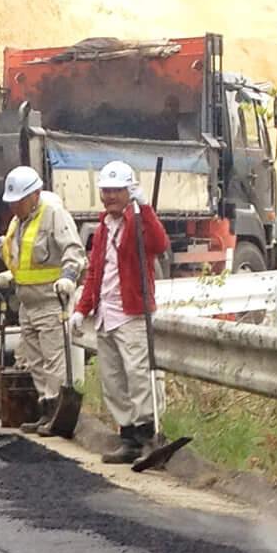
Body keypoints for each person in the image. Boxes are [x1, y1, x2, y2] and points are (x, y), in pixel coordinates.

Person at [0, 166, 85, 436]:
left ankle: (58, 413)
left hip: (50, 300)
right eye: (11, 202)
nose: (14, 206)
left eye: (19, 200)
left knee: (54, 359)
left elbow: (73, 249)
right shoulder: (17, 223)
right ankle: (45, 410)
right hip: (27, 303)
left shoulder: (53, 214)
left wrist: (69, 276)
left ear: (35, 194)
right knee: (34, 359)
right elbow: (19, 259)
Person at [73, 160, 169, 464]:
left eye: (116, 191)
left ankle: (148, 435)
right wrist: (82, 308)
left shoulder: (138, 221)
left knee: (139, 376)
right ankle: (127, 438)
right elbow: (95, 272)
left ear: (129, 191)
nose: (110, 196)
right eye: (106, 191)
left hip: (132, 314)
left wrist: (147, 210)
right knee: (112, 379)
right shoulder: (103, 226)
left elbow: (159, 243)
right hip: (106, 314)